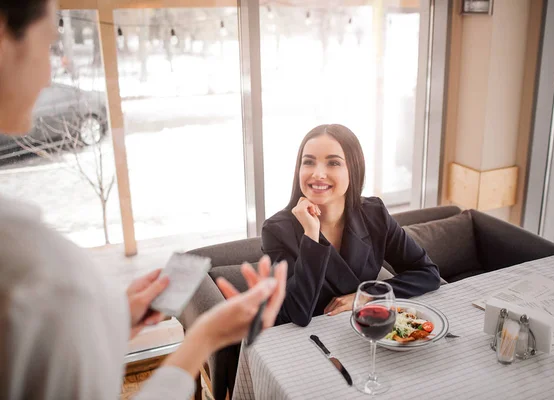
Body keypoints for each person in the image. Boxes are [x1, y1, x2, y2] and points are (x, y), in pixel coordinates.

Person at [0, 1, 288, 399]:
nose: (50, 73)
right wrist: (204, 338)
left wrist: (115, 317)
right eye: (48, 44)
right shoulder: (36, 271)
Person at [262, 124, 440, 327]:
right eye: (309, 162)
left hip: (363, 329)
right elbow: (299, 312)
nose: (318, 173)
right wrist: (311, 235)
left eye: (333, 163)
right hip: (308, 340)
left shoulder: (375, 214)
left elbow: (428, 273)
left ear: (353, 170)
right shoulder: (276, 230)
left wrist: (366, 296)